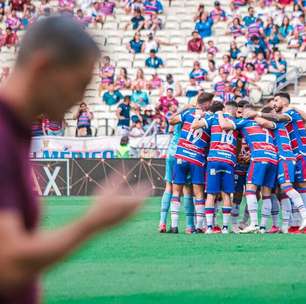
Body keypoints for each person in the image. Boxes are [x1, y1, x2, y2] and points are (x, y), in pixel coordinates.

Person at [0, 16, 149, 304]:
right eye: (80, 84)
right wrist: (92, 223)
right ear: (43, 67)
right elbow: (7, 264)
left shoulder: (16, 129)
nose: (81, 98)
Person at [218, 103, 279, 233]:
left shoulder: (245, 122)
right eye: (238, 112)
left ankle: (252, 223)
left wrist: (219, 113)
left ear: (247, 113)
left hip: (257, 158)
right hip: (268, 158)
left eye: (242, 112)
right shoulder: (264, 123)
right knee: (258, 193)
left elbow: (225, 126)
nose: (240, 115)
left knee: (252, 191)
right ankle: (259, 227)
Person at [249, 92, 306, 232]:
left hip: (298, 154)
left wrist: (255, 113)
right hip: (290, 155)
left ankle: (302, 219)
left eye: (276, 100)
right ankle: (292, 225)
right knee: (286, 189)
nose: (273, 103)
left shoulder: (290, 113)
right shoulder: (283, 122)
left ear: (284, 102)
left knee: (298, 186)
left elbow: (274, 117)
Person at [168, 93, 214, 233]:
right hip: (197, 158)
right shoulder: (211, 118)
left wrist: (182, 109)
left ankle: (174, 226)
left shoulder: (188, 113)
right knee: (198, 192)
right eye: (210, 102)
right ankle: (199, 226)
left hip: (181, 156)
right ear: (206, 104)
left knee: (176, 191)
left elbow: (171, 121)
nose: (211, 105)